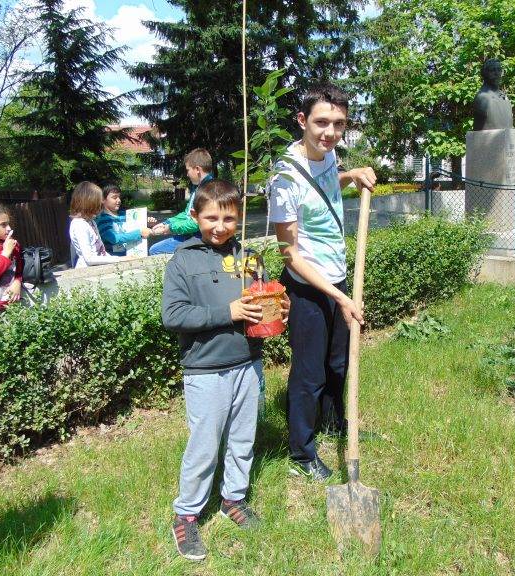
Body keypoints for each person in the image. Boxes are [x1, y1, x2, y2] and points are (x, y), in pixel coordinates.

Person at [161, 179, 288, 562]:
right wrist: (226, 312)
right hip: (205, 369)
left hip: (248, 363)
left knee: (242, 438)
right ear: (195, 216)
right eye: (211, 218)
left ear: (239, 217)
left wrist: (279, 310)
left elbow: (263, 300)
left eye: (229, 219)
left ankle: (233, 499)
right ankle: (186, 514)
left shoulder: (250, 257)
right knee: (204, 445)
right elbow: (173, 315)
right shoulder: (183, 260)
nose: (220, 226)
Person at [268, 82, 376, 481]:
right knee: (309, 373)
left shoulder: (329, 155)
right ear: (302, 120)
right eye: (321, 123)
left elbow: (326, 186)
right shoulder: (284, 178)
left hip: (337, 279)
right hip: (307, 288)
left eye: (339, 124)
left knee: (338, 362)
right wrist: (339, 298)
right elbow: (290, 254)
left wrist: (351, 175)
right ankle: (301, 452)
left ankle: (333, 424)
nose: (330, 132)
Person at [148, 148, 213, 255]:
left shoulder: (207, 191)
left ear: (197, 169)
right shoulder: (198, 188)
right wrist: (166, 223)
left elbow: (196, 223)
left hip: (199, 238)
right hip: (192, 235)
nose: (187, 174)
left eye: (188, 170)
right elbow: (187, 214)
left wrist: (169, 229)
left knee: (155, 250)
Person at [69, 181, 126, 268]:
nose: (101, 205)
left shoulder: (91, 222)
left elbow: (101, 252)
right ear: (89, 203)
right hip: (87, 272)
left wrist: (120, 260)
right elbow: (89, 259)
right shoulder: (79, 225)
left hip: (99, 268)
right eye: (97, 203)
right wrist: (118, 259)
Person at [96, 183, 156, 256]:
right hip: (115, 259)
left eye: (119, 197)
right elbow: (114, 239)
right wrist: (139, 233)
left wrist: (147, 223)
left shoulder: (126, 215)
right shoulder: (102, 220)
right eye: (114, 197)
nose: (119, 200)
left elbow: (136, 228)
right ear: (103, 200)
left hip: (135, 254)